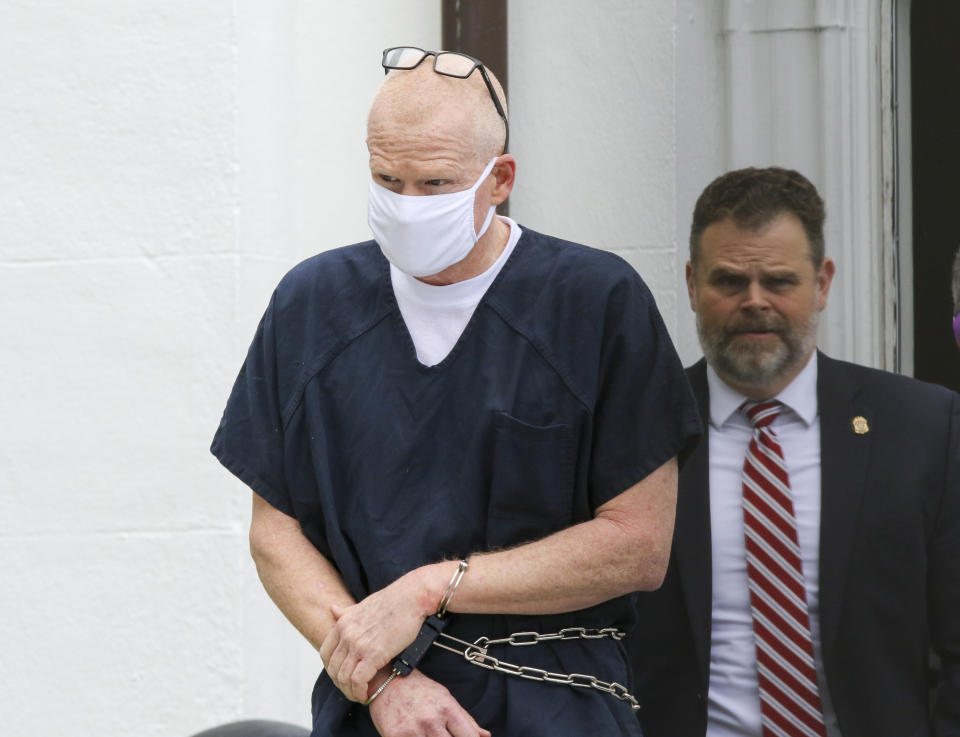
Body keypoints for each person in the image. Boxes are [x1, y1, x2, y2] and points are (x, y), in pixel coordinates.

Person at [211, 46, 700, 737]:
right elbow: (274, 532)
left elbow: (639, 544)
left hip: (557, 704)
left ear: (499, 178)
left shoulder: (594, 304)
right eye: (387, 179)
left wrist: (430, 586)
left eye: (435, 184)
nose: (406, 206)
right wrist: (383, 681)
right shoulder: (312, 305)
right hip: (373, 709)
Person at [626, 166, 960, 737]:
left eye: (779, 281)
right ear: (690, 283)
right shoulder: (635, 430)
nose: (755, 303)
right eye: (729, 281)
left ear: (823, 282)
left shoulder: (925, 427)